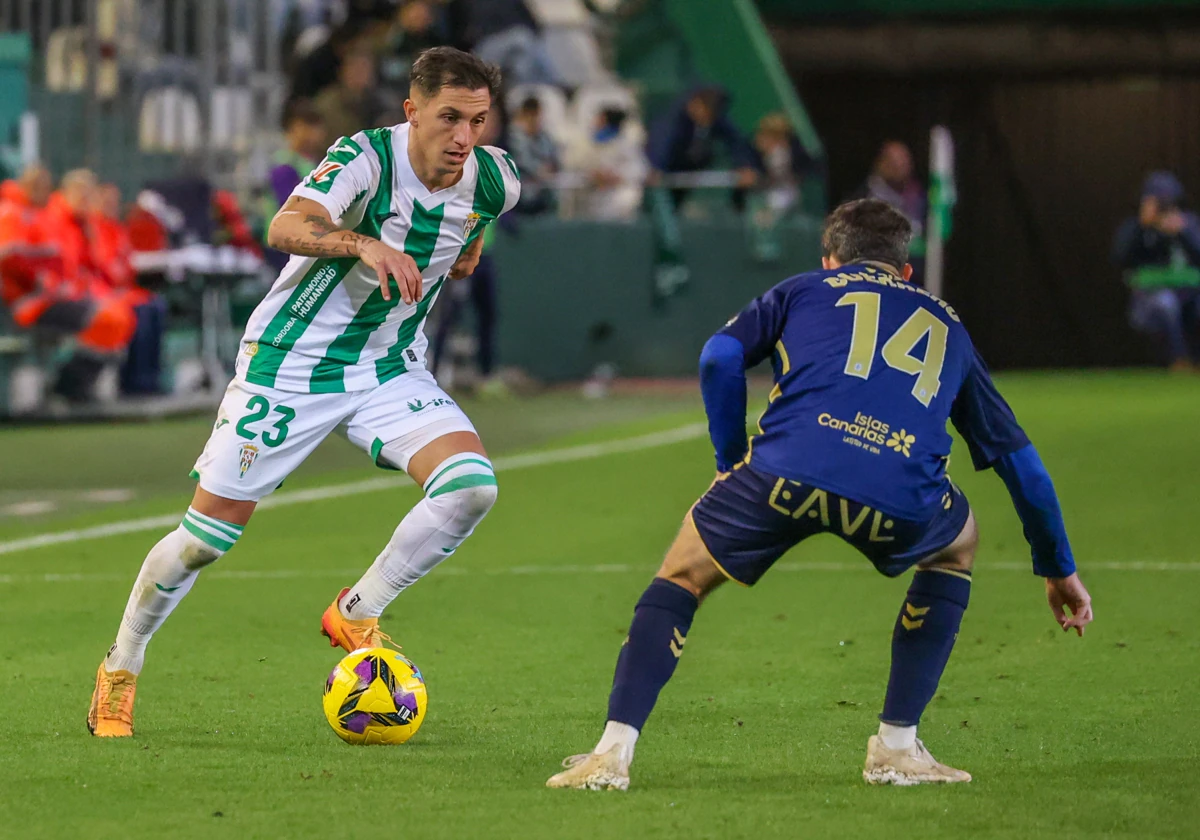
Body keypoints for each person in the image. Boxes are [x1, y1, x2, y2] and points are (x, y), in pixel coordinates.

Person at [547, 198, 1093, 791]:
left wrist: (731, 461)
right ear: (904, 271)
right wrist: (1057, 567)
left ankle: (612, 754)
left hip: (783, 473)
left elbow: (719, 356)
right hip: (899, 496)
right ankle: (895, 748)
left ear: (831, 260)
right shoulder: (950, 326)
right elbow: (1023, 467)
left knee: (682, 576)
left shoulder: (804, 289)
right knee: (958, 543)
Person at [87, 46, 521, 737]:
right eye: (448, 119)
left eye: (477, 120)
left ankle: (356, 612)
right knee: (203, 541)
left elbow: (473, 231)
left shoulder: (494, 180)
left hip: (387, 367)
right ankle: (122, 664)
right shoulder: (367, 159)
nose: (464, 138)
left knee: (471, 486)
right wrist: (364, 245)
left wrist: (462, 252)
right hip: (289, 366)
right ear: (412, 113)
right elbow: (284, 226)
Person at [1112, 171, 1200, 371]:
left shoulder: (1190, 224)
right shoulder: (1135, 228)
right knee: (1165, 304)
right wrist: (1143, 226)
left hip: (1191, 292)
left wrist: (1183, 233)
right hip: (1149, 297)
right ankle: (1179, 361)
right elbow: (1120, 257)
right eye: (1159, 202)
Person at [646, 85, 759, 211]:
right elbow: (662, 140)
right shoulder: (673, 119)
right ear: (696, 104)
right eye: (705, 113)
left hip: (692, 169)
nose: (706, 119)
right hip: (670, 167)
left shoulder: (716, 118)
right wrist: (656, 167)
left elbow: (736, 141)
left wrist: (745, 165)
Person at [263, 99, 328, 271]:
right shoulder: (283, 165)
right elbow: (290, 206)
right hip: (283, 246)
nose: (311, 135)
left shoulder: (319, 164)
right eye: (305, 127)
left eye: (316, 128)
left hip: (309, 244)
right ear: (291, 129)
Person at [859, 141, 926, 285]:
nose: (900, 168)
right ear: (881, 163)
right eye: (894, 163)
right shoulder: (860, 201)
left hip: (914, 278)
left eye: (904, 163)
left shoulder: (921, 197)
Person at [565, 106, 646, 221]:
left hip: (614, 196)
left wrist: (615, 177)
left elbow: (639, 170)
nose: (596, 122)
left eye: (600, 119)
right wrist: (592, 175)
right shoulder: (583, 144)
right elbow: (572, 167)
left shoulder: (626, 145)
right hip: (588, 195)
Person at [312, 50, 400, 147]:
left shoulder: (385, 103)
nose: (360, 74)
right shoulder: (326, 104)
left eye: (365, 69)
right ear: (343, 71)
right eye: (355, 69)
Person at [507, 96, 559, 215]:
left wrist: (550, 167)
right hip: (521, 190)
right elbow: (522, 162)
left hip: (544, 188)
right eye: (533, 116)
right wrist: (538, 170)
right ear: (525, 115)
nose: (537, 120)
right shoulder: (513, 137)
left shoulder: (544, 136)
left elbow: (553, 158)